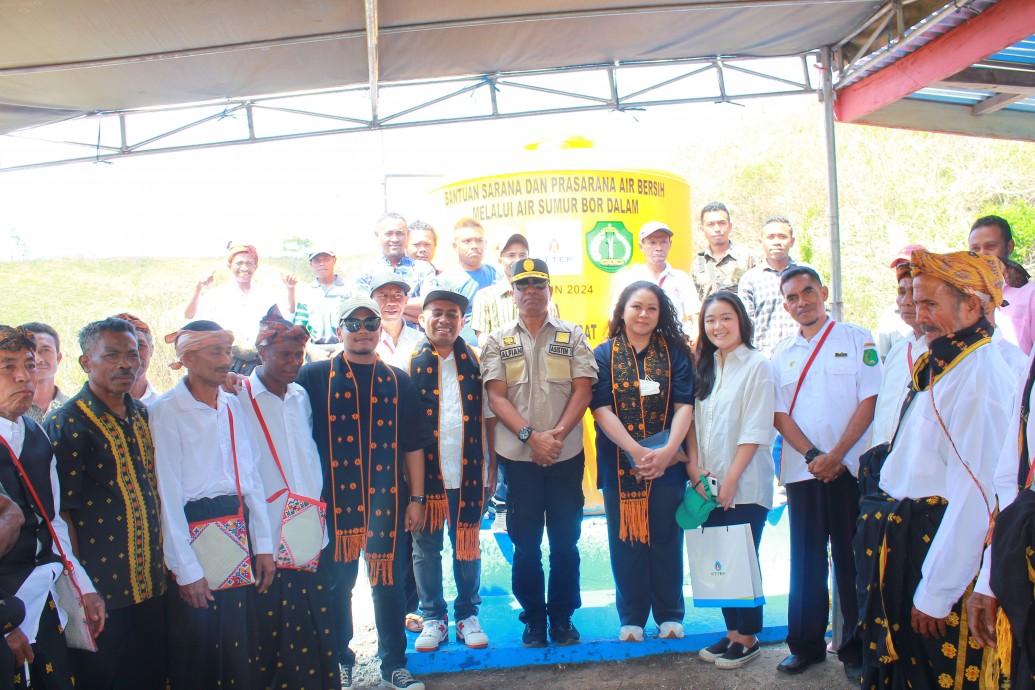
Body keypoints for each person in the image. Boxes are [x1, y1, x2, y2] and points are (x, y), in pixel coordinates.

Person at [854, 249, 1013, 690]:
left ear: (973, 306)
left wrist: (937, 593)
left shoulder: (980, 376)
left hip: (937, 550)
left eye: (930, 305)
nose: (919, 316)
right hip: (908, 545)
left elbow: (976, 496)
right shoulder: (944, 359)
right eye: (916, 303)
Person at [295, 295, 432, 690]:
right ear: (339, 331)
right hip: (332, 505)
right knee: (336, 586)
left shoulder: (397, 379)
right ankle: (339, 659)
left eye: (370, 324)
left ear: (380, 330)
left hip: (386, 503)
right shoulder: (314, 376)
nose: (362, 332)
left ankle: (393, 664)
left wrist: (418, 499)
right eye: (352, 325)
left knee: (389, 586)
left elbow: (413, 444)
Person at [150, 320, 276, 690]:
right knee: (200, 643)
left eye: (227, 351)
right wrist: (185, 568)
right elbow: (168, 495)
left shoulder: (231, 405)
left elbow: (250, 478)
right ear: (188, 358)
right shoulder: (167, 410)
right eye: (216, 352)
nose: (226, 360)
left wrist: (264, 544)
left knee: (239, 640)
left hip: (238, 525)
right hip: (195, 529)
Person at [770, 266, 881, 679]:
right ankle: (806, 646)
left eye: (809, 292)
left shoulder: (857, 338)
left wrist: (836, 456)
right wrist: (816, 455)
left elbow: (869, 400)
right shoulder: (782, 353)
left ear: (824, 292)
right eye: (793, 297)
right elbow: (779, 413)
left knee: (853, 562)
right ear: (785, 304)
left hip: (850, 469)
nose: (802, 302)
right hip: (804, 471)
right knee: (806, 561)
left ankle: (854, 650)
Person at [44, 318, 167, 689]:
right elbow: (62, 514)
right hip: (101, 593)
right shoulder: (67, 424)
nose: (126, 364)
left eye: (132, 355)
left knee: (149, 672)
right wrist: (81, 589)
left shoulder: (142, 413)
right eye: (111, 355)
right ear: (86, 363)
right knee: (106, 679)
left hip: (151, 583)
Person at [481, 259, 597, 648]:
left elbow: (583, 389)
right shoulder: (498, 340)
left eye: (538, 284)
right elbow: (496, 397)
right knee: (525, 543)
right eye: (522, 285)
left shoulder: (572, 335)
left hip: (564, 456)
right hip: (519, 459)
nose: (531, 291)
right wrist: (533, 438)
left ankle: (562, 618)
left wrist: (555, 437)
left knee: (566, 541)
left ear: (550, 290)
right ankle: (533, 618)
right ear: (512, 293)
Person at [237, 310, 338, 690]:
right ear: (261, 352)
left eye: (299, 354)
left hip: (308, 524)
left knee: (315, 614)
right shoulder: (238, 396)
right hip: (267, 528)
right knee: (273, 622)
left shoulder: (300, 396)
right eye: (284, 355)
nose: (294, 362)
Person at [0, 325, 104, 690]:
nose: (22, 376)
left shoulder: (35, 432)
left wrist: (82, 585)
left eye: (29, 365)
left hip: (42, 598)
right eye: (6, 366)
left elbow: (53, 520)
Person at [590, 281, 693, 643]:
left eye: (651, 308)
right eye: (636, 307)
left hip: (668, 464)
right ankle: (632, 617)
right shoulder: (602, 354)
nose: (643, 314)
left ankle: (669, 614)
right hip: (620, 463)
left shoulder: (676, 354)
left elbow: (685, 407)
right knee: (626, 539)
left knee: (666, 537)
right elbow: (600, 408)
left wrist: (666, 453)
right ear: (622, 311)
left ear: (660, 314)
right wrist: (635, 450)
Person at [688, 291, 776, 669]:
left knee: (742, 557)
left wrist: (731, 480)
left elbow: (755, 429)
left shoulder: (757, 365)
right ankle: (731, 633)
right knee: (718, 557)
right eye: (710, 320)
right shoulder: (704, 367)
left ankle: (749, 636)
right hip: (706, 485)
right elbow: (691, 423)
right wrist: (695, 470)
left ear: (741, 321)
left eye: (725, 318)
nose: (718, 326)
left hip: (745, 484)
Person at [410, 290, 494, 652]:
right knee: (425, 549)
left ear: (463, 321)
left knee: (467, 544)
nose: (444, 320)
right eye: (437, 313)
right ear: (422, 318)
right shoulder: (407, 362)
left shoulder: (475, 361)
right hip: (426, 476)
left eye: (452, 314)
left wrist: (491, 466)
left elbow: (489, 417)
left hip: (468, 471)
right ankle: (433, 617)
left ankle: (467, 615)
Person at [184, 242, 294, 374]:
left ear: (256, 267)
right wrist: (199, 287)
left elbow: (286, 319)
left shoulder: (266, 296)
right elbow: (189, 316)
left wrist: (290, 289)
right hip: (225, 363)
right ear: (229, 266)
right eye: (239, 263)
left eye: (249, 263)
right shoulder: (217, 295)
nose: (244, 268)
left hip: (258, 363)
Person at [870, 246, 927, 447]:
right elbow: (883, 414)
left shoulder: (948, 354)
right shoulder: (898, 352)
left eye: (916, 292)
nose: (907, 301)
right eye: (902, 292)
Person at [608, 221, 701, 338]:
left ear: (670, 244)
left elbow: (696, 318)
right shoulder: (629, 278)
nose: (659, 248)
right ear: (641, 247)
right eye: (652, 243)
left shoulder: (681, 279)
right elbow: (615, 316)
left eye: (663, 242)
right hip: (638, 345)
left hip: (674, 345)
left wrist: (693, 344)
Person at [471, 233, 559, 349]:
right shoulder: (485, 296)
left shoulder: (541, 296)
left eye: (522, 255)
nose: (517, 260)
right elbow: (482, 339)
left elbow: (553, 335)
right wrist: (511, 352)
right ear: (500, 260)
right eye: (511, 255)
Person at [353, 214, 438, 325]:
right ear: (377, 235)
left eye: (400, 233)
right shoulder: (366, 271)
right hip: (378, 340)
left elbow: (432, 306)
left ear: (407, 235)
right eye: (389, 233)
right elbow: (363, 309)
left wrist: (384, 307)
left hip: (416, 340)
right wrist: (412, 315)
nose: (395, 239)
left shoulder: (423, 268)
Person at [737, 217, 804, 357]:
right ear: (761, 242)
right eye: (770, 237)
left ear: (792, 241)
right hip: (765, 358)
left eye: (782, 237)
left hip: (803, 353)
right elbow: (745, 325)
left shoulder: (805, 275)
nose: (776, 242)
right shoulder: (750, 279)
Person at [969, 214, 1035, 355]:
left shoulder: (1030, 294)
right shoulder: (962, 293)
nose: (982, 254)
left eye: (990, 246)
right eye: (975, 249)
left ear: (1009, 247)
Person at [433, 218, 504, 346]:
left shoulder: (497, 275)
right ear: (455, 246)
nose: (474, 246)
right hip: (460, 353)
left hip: (497, 351)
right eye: (467, 241)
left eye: (479, 240)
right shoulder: (444, 281)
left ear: (485, 243)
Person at [293, 248, 352, 362]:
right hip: (315, 352)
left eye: (326, 259)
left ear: (334, 261)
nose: (321, 264)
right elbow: (298, 328)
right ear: (311, 264)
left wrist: (344, 348)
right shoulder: (306, 292)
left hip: (345, 349)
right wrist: (311, 350)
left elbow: (356, 322)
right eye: (317, 260)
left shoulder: (349, 290)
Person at [690, 202, 758, 300]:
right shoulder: (698, 264)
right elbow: (695, 304)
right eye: (710, 224)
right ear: (702, 229)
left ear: (730, 226)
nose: (717, 229)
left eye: (722, 223)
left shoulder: (748, 258)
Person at [370, 274, 422, 369]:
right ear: (372, 301)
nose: (391, 302)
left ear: (406, 300)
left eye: (397, 295)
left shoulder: (421, 341)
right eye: (383, 296)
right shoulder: (366, 341)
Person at [19, 323, 66, 425]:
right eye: (30, 351)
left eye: (45, 350)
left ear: (58, 358)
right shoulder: (7, 411)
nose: (37, 359)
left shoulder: (75, 409)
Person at [110, 313, 160, 406]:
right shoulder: (87, 410)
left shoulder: (164, 406)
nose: (133, 355)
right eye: (119, 348)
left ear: (151, 350)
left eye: (139, 346)